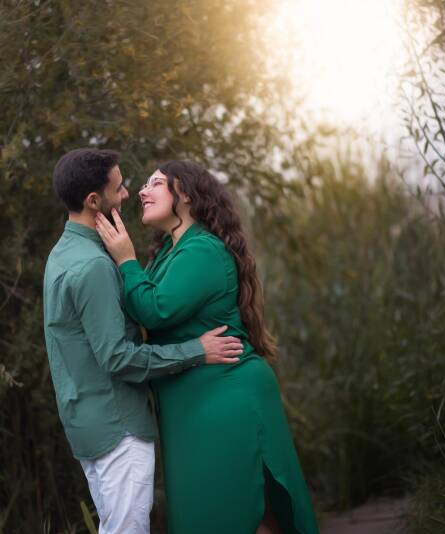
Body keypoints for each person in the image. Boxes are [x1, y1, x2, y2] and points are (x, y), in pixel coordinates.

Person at [95, 160, 319, 534]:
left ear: (184, 193)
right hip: (196, 402)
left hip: (224, 396)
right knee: (219, 513)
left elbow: (155, 310)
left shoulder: (202, 250)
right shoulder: (170, 251)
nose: (142, 191)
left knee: (235, 511)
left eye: (155, 183)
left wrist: (125, 259)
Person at [43, 148, 244, 533]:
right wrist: (196, 351)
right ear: (93, 201)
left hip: (86, 422)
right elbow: (117, 358)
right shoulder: (94, 266)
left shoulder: (62, 255)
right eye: (118, 188)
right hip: (117, 427)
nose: (127, 195)